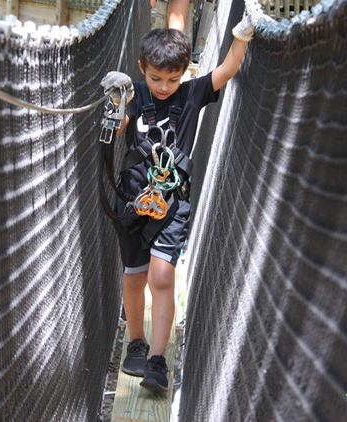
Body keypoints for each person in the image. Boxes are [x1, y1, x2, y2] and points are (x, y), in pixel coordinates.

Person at [100, 2, 265, 393]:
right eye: (156, 78)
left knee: (161, 275)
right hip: (133, 201)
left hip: (172, 204)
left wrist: (240, 37)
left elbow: (225, 71)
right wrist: (115, 105)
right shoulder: (137, 95)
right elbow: (121, 126)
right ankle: (135, 342)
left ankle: (158, 358)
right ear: (142, 68)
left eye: (171, 80)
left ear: (183, 75)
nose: (163, 87)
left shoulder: (190, 95)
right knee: (134, 275)